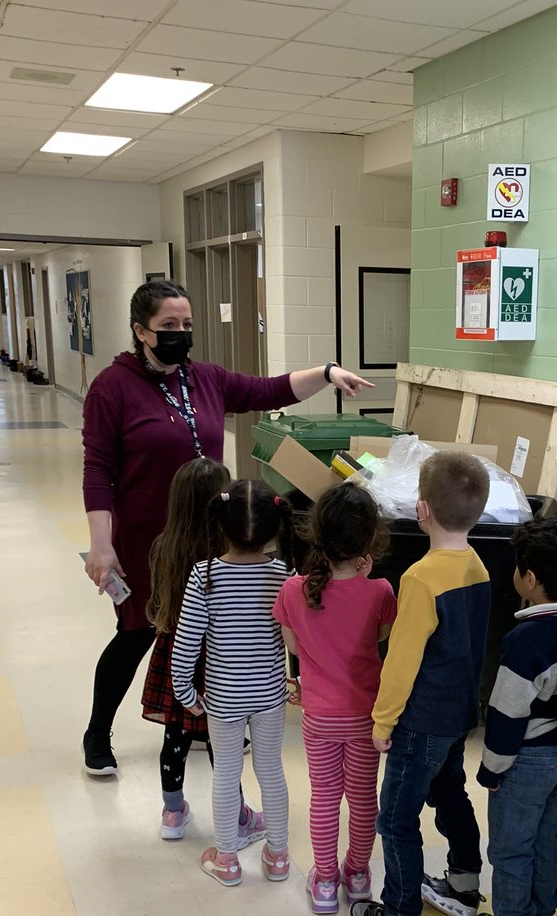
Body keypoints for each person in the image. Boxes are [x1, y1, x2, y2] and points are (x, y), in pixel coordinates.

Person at [81, 278, 371, 776]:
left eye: (187, 324)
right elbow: (97, 470)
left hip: (211, 533)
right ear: (141, 331)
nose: (180, 333)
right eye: (168, 325)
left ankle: (201, 718)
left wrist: (326, 373)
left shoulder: (205, 378)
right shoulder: (113, 387)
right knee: (138, 633)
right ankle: (96, 732)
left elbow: (270, 389)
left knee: (207, 631)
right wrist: (101, 547)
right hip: (150, 540)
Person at [349, 451, 491, 916]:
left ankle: (401, 915)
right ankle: (466, 881)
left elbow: (402, 662)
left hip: (421, 721)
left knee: (395, 818)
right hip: (459, 715)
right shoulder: (477, 565)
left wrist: (382, 724)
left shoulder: (420, 578)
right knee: (451, 792)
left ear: (421, 510)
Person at [472, 516, 557, 916]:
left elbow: (507, 714)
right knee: (546, 839)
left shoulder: (524, 640)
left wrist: (491, 770)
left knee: (510, 846)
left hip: (527, 760)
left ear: (528, 578)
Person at [273, 483, 397, 915]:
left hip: (318, 717)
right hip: (366, 717)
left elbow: (291, 644)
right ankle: (358, 875)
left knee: (324, 796)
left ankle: (324, 882)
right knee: (363, 799)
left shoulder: (293, 591)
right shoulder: (380, 591)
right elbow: (380, 638)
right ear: (368, 542)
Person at [171, 479, 293, 887]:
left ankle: (226, 859)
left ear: (221, 526)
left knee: (225, 772)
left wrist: (185, 692)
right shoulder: (284, 575)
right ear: (274, 528)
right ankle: (277, 857)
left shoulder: (204, 575)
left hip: (223, 697)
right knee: (271, 769)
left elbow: (186, 641)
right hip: (270, 693)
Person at [140, 457, 264, 844]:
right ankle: (239, 816)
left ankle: (173, 811)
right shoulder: (221, 554)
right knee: (221, 746)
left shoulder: (164, 545)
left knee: (173, 738)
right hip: (216, 659)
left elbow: (159, 605)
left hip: (174, 653)